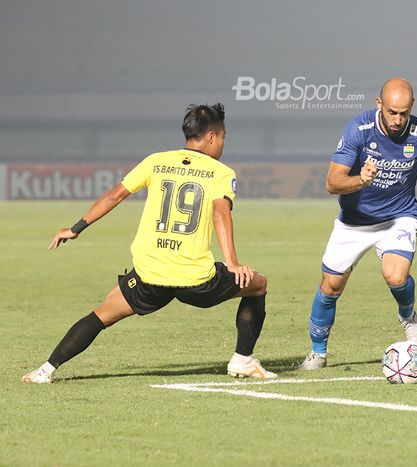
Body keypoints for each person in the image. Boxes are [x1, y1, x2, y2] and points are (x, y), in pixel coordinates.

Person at [22, 103, 276, 383]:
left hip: (150, 274)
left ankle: (45, 370)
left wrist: (76, 228)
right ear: (212, 136)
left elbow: (113, 196)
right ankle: (242, 360)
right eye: (224, 137)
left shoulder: (156, 161)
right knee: (258, 284)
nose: (224, 144)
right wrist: (233, 263)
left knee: (102, 314)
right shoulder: (221, 173)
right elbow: (220, 213)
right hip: (196, 279)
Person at [298, 78, 417, 370]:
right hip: (354, 222)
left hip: (398, 217)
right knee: (330, 287)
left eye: (403, 113)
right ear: (379, 104)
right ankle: (318, 353)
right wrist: (361, 180)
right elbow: (332, 182)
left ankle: (407, 315)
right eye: (392, 112)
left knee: (395, 276)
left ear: (412, 108)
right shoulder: (358, 130)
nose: (397, 119)